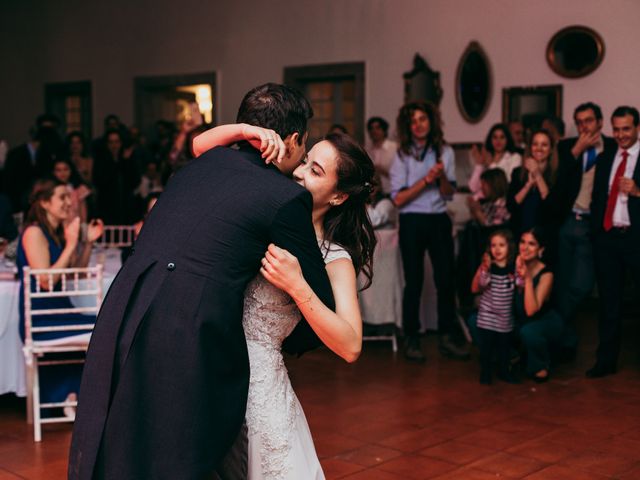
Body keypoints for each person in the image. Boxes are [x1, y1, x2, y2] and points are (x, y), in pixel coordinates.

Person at [68, 83, 337, 480]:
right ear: (294, 140)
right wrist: (278, 344)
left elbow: (198, 147)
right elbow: (316, 297)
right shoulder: (285, 197)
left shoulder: (197, 165)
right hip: (188, 327)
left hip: (125, 305)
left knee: (124, 441)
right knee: (181, 454)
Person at [195, 124, 375, 478]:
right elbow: (201, 148)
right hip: (210, 368)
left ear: (338, 197)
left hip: (260, 388)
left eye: (315, 171)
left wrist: (297, 284)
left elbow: (351, 345)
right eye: (305, 161)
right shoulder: (264, 212)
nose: (298, 172)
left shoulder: (333, 258)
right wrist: (245, 130)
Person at [389, 100, 469, 362]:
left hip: (438, 219)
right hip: (411, 221)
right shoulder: (401, 155)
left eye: (423, 119)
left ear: (431, 122)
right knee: (414, 282)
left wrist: (442, 177)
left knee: (445, 280)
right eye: (413, 121)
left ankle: (447, 336)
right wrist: (426, 180)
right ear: (407, 126)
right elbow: (398, 199)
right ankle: (412, 338)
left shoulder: (444, 150)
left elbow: (449, 193)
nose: (418, 125)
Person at [17, 179, 103, 410]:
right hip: (42, 317)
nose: (69, 202)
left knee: (107, 325)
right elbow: (46, 281)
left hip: (59, 312)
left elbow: (76, 274)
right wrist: (70, 244)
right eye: (62, 197)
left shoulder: (54, 233)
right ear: (45, 203)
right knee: (104, 328)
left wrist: (86, 243)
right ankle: (78, 396)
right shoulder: (34, 232)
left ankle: (76, 396)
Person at [552, 103, 617, 347]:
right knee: (561, 283)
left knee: (581, 286)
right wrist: (575, 152)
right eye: (579, 122)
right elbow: (558, 183)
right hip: (567, 222)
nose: (584, 126)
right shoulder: (567, 147)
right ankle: (562, 339)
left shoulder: (612, 146)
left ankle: (550, 326)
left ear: (600, 122)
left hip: (593, 225)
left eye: (588, 120)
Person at [587, 106, 640, 378]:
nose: (620, 134)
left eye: (626, 129)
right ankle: (605, 362)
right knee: (609, 303)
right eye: (616, 129)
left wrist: (639, 191)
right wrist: (597, 233)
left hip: (636, 238)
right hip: (607, 238)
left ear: (638, 128)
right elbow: (597, 198)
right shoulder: (606, 157)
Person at [515, 228, 563, 382]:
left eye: (531, 244)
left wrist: (527, 279)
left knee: (529, 331)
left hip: (543, 321)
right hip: (519, 318)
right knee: (478, 320)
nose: (525, 247)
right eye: (522, 242)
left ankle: (540, 366)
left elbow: (531, 311)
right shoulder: (512, 265)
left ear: (540, 249)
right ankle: (511, 356)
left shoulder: (547, 274)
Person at [471, 229, 517, 385]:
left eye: (501, 245)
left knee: (504, 348)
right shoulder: (488, 267)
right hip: (487, 315)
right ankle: (486, 373)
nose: (497, 249)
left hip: (504, 317)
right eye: (493, 245)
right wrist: (485, 269)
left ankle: (504, 371)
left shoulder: (513, 268)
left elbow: (518, 286)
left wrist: (521, 277)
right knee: (487, 348)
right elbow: (482, 285)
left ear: (509, 247)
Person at [507, 129, 558, 237]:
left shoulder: (558, 174)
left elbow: (552, 207)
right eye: (535, 144)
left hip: (544, 234)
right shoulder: (517, 173)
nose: (539, 148)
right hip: (519, 232)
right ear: (530, 148)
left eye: (544, 145)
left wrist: (537, 175)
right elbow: (511, 206)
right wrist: (528, 185)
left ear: (551, 149)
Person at [468, 123, 522, 198]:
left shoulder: (514, 158)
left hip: (503, 203)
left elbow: (505, 184)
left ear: (507, 139)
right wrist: (479, 164)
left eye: (502, 137)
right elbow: (473, 188)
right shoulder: (486, 157)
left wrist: (491, 164)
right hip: (484, 203)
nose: (498, 141)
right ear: (490, 140)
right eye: (495, 137)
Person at [51, 158, 92, 224]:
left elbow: (83, 213)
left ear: (71, 170)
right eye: (58, 170)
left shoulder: (79, 189)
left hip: (75, 227)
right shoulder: (50, 189)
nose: (62, 173)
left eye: (65, 169)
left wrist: (83, 229)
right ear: (53, 172)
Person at [365, 116, 398, 194]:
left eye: (377, 128)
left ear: (384, 130)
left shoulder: (394, 148)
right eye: (371, 128)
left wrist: (382, 170)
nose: (374, 131)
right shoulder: (367, 149)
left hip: (392, 191)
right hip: (373, 193)